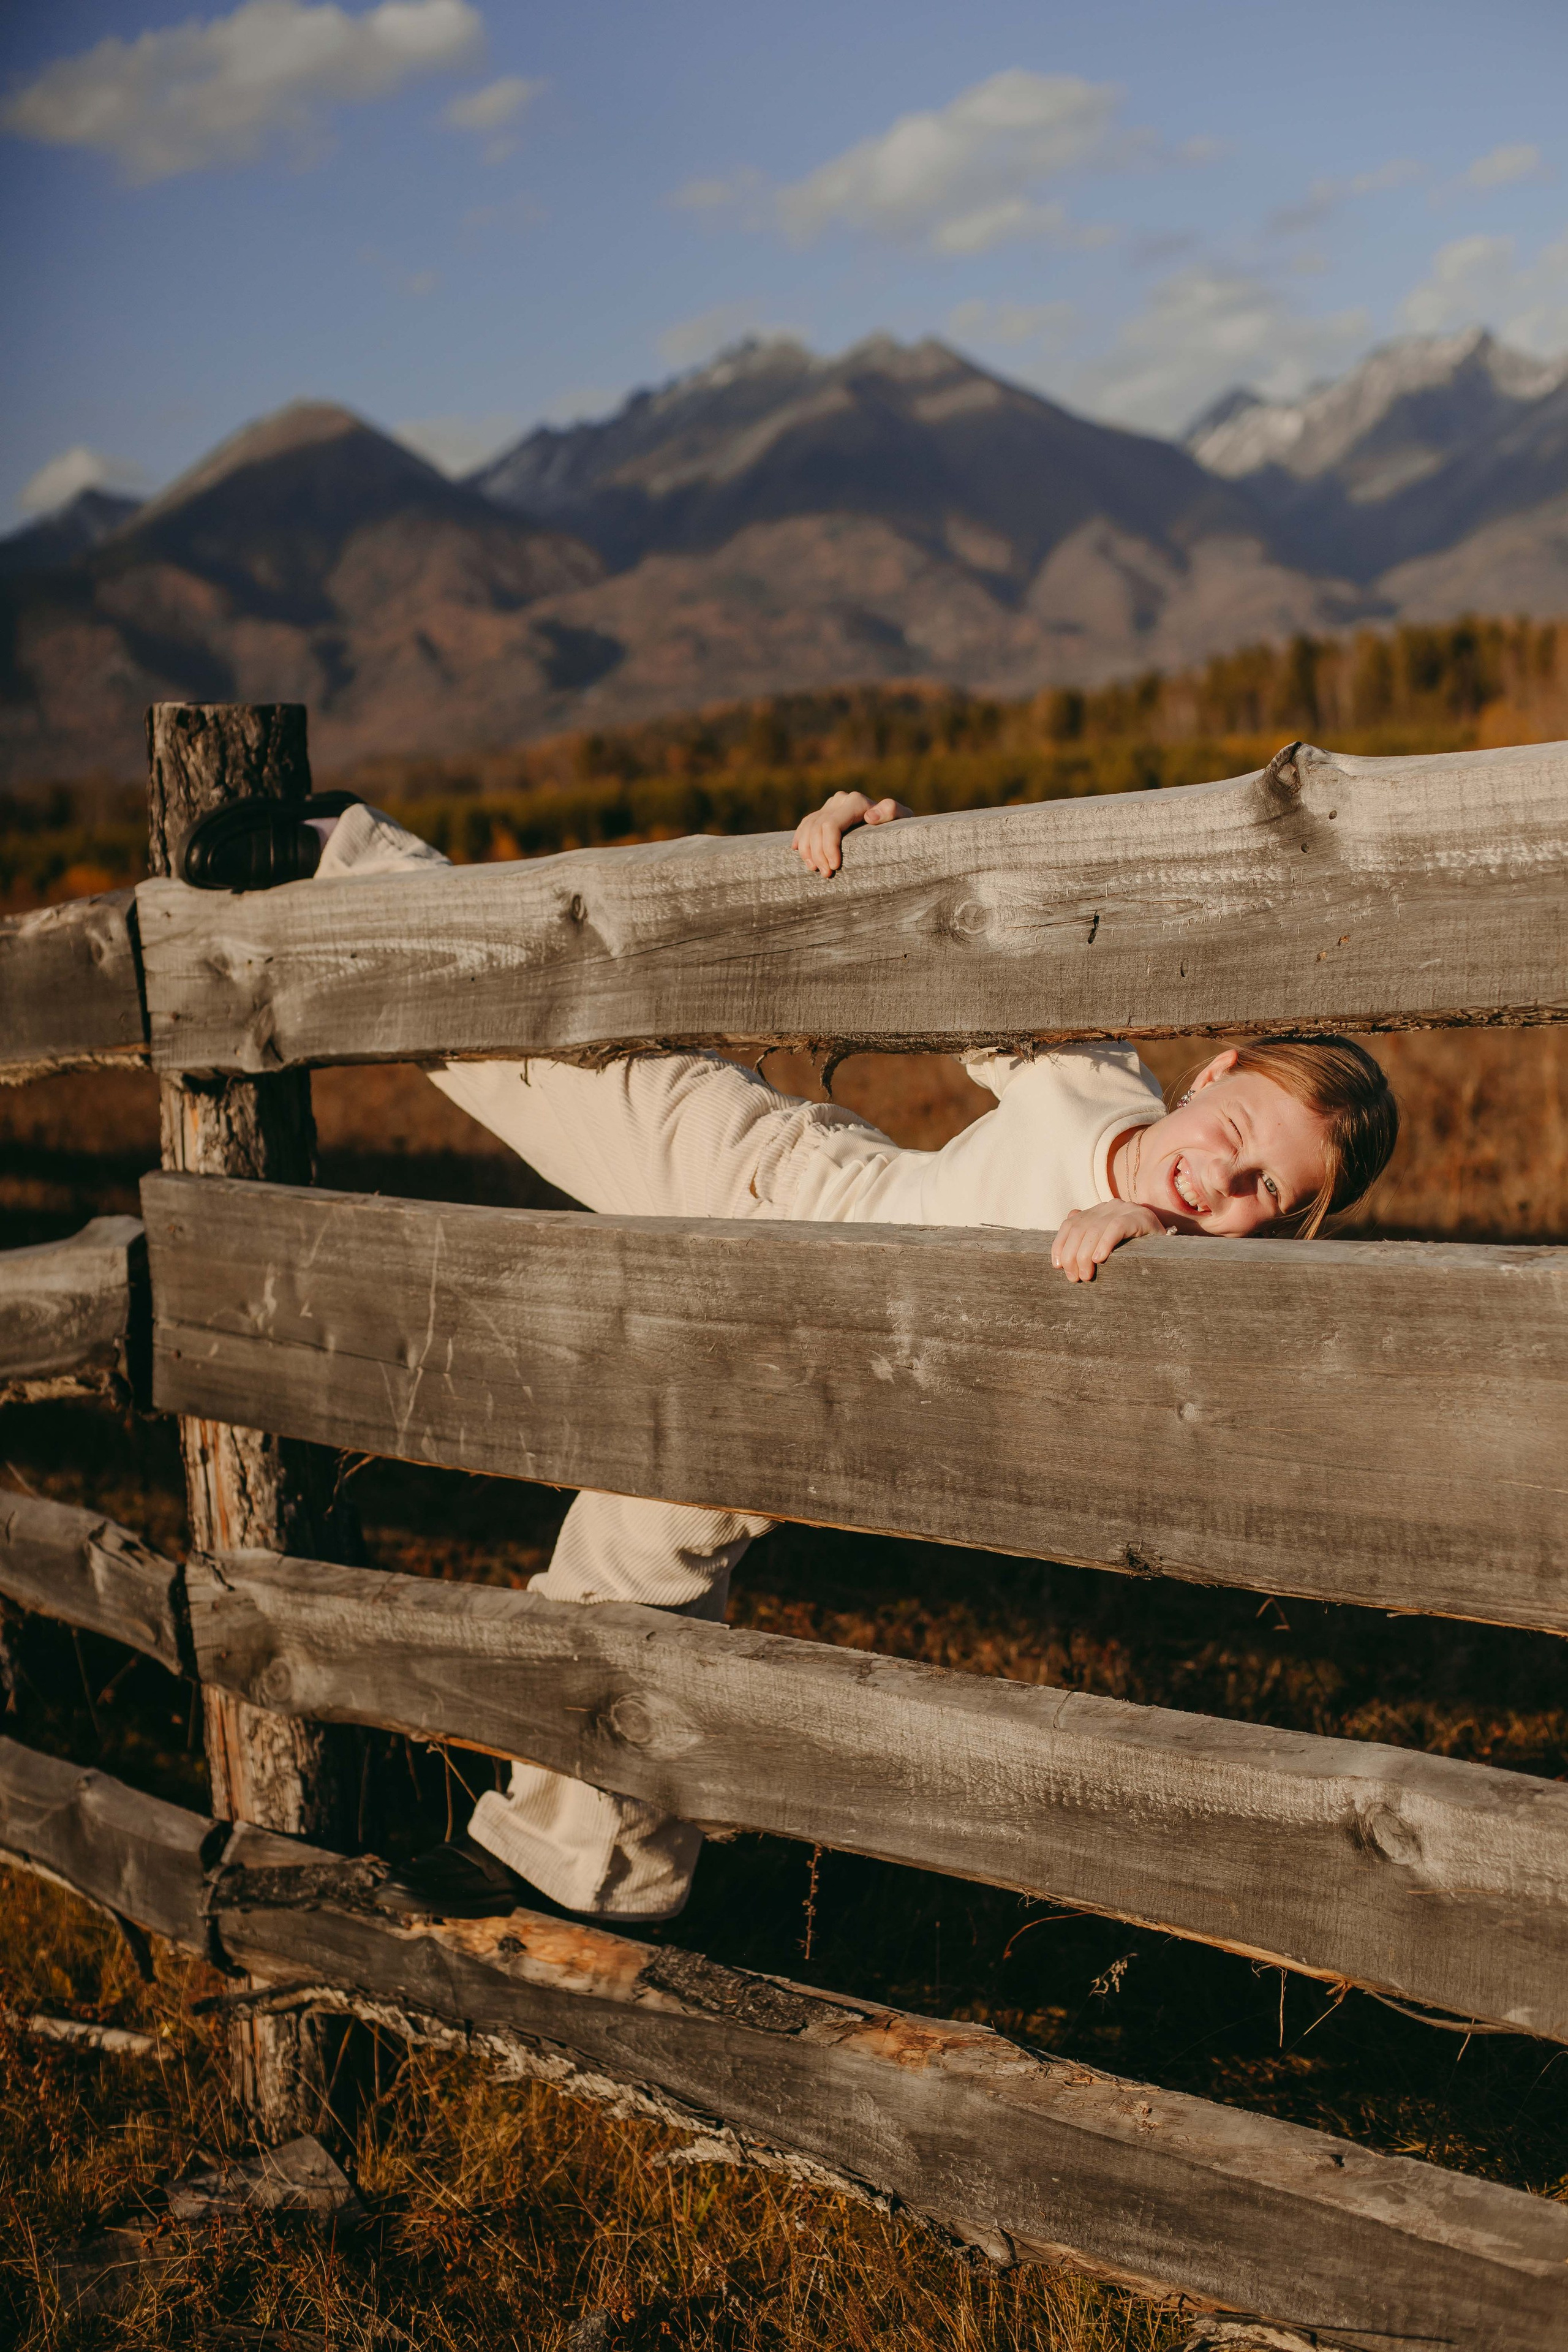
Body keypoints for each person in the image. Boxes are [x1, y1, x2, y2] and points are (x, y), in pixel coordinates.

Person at [178, 781, 1399, 1924]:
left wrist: (1143, 1247)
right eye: (1232, 1136)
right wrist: (875, 846)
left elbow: (1117, 1374)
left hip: (822, 1373)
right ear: (1212, 1072)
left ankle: (588, 1874)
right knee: (542, 1052)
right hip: (805, 1182)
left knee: (629, 1548)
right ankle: (350, 861)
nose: (1216, 1183)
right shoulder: (1089, 1077)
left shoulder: (1181, 1276)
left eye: (1261, 1195)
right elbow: (963, 943)